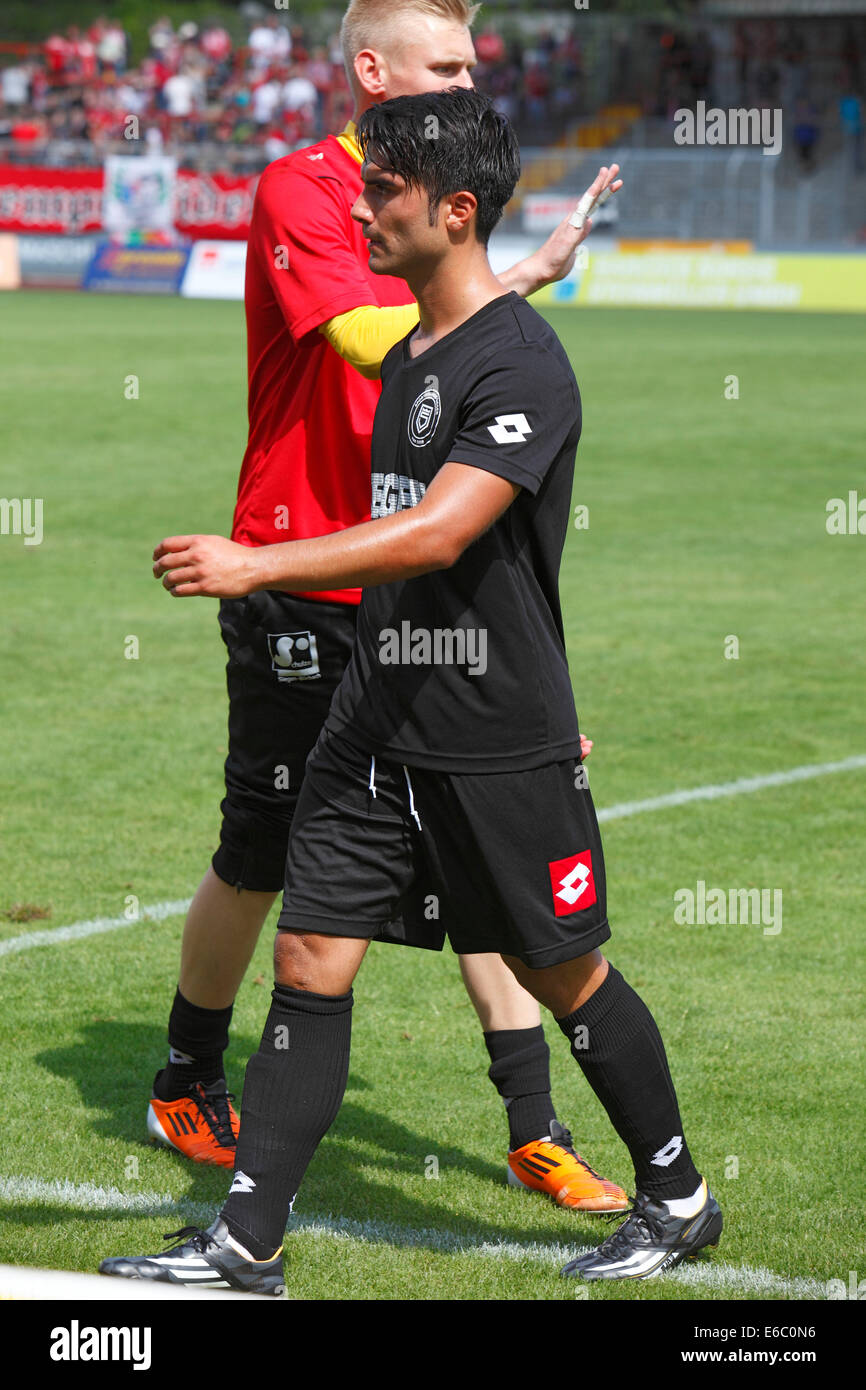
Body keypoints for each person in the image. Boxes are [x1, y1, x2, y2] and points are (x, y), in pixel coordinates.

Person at [101, 87, 721, 1294]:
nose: (361, 204)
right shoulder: (417, 355)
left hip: (491, 739)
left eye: (381, 189)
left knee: (565, 973)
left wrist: (258, 561)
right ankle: (247, 1241)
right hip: (374, 723)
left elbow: (443, 537)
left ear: (453, 209)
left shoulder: (521, 363)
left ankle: (677, 1193)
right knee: (311, 960)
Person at [143, 0, 627, 1217]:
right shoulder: (308, 188)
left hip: (412, 575)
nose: (476, 75)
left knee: (471, 839)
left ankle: (531, 1121)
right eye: (449, 61)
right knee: (263, 851)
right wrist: (517, 274)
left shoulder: (433, 190)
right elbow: (371, 334)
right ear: (374, 72)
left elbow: (455, 342)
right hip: (299, 567)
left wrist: (506, 280)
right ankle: (186, 1075)